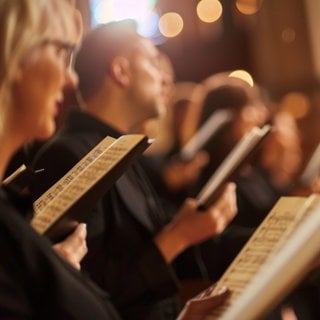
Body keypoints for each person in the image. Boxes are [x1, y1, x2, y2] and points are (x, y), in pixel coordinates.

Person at [30, 21, 237, 320]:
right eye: (153, 62)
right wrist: (177, 237)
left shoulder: (122, 149)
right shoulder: (70, 154)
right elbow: (86, 289)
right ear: (121, 71)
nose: (167, 79)